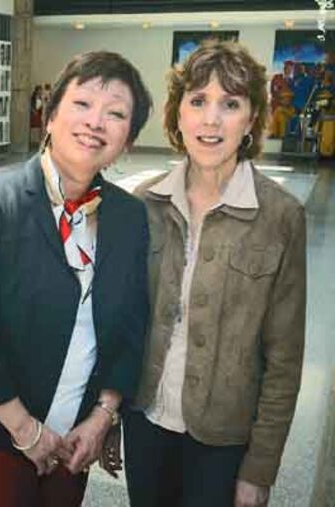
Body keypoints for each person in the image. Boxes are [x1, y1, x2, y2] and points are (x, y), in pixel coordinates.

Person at [0, 51, 152, 506]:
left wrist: (103, 415)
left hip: (75, 432)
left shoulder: (129, 216)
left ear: (128, 140)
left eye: (117, 113)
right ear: (50, 116)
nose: (96, 122)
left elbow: (131, 324)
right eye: (82, 104)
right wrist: (26, 431)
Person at [126, 40, 307, 507]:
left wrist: (260, 469)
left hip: (224, 441)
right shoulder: (144, 205)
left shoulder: (280, 216)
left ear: (251, 119)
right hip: (145, 423)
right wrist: (108, 418)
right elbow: (122, 326)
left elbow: (284, 357)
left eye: (230, 103)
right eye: (198, 101)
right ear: (178, 115)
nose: (211, 120)